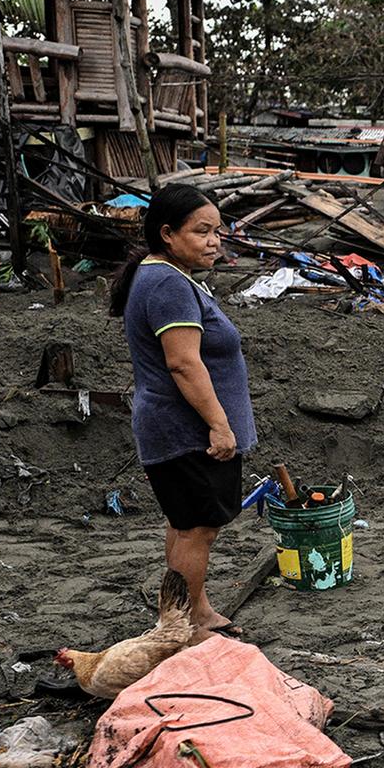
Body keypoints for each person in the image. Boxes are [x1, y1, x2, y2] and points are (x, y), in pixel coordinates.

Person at [109, 184, 258, 637]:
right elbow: (183, 362)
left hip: (172, 428)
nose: (215, 241)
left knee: (185, 523)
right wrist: (219, 425)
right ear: (167, 233)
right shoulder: (169, 284)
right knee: (197, 529)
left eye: (218, 231)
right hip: (186, 430)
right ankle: (186, 624)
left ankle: (193, 609)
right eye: (202, 231)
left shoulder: (163, 275)